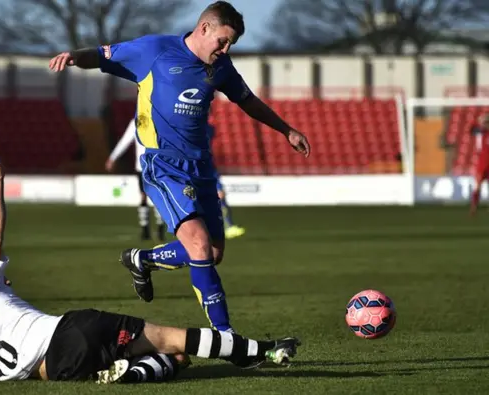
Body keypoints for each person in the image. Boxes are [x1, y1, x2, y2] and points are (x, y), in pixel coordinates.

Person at [49, 1, 310, 333]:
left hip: (201, 166)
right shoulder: (153, 50)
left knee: (212, 252)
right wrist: (74, 55)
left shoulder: (221, 67)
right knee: (198, 245)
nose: (226, 49)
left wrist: (286, 130)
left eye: (231, 44)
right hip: (163, 165)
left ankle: (141, 260)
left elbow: (248, 101)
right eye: (223, 41)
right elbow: (101, 55)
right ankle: (226, 336)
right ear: (204, 29)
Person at [0, 139, 302, 384]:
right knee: (176, 338)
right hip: (73, 331)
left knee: (176, 360)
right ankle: (263, 351)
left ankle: (133, 373)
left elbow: (27, 369)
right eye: (4, 278)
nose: (8, 280)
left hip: (58, 368)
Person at [106, 117, 166, 241]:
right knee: (146, 196)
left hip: (156, 164)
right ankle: (146, 229)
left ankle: (159, 228)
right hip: (144, 166)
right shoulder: (137, 121)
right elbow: (125, 141)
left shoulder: (159, 118)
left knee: (157, 196)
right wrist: (113, 157)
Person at [206, 123, 246, 239]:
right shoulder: (204, 128)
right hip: (200, 165)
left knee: (220, 195)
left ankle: (228, 226)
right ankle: (223, 227)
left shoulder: (209, 128)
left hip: (208, 166)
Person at [470, 114, 489, 216]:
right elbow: (471, 129)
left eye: (487, 122)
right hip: (481, 165)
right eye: (485, 123)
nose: (486, 124)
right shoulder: (479, 133)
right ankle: (474, 207)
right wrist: (478, 120)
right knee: (477, 185)